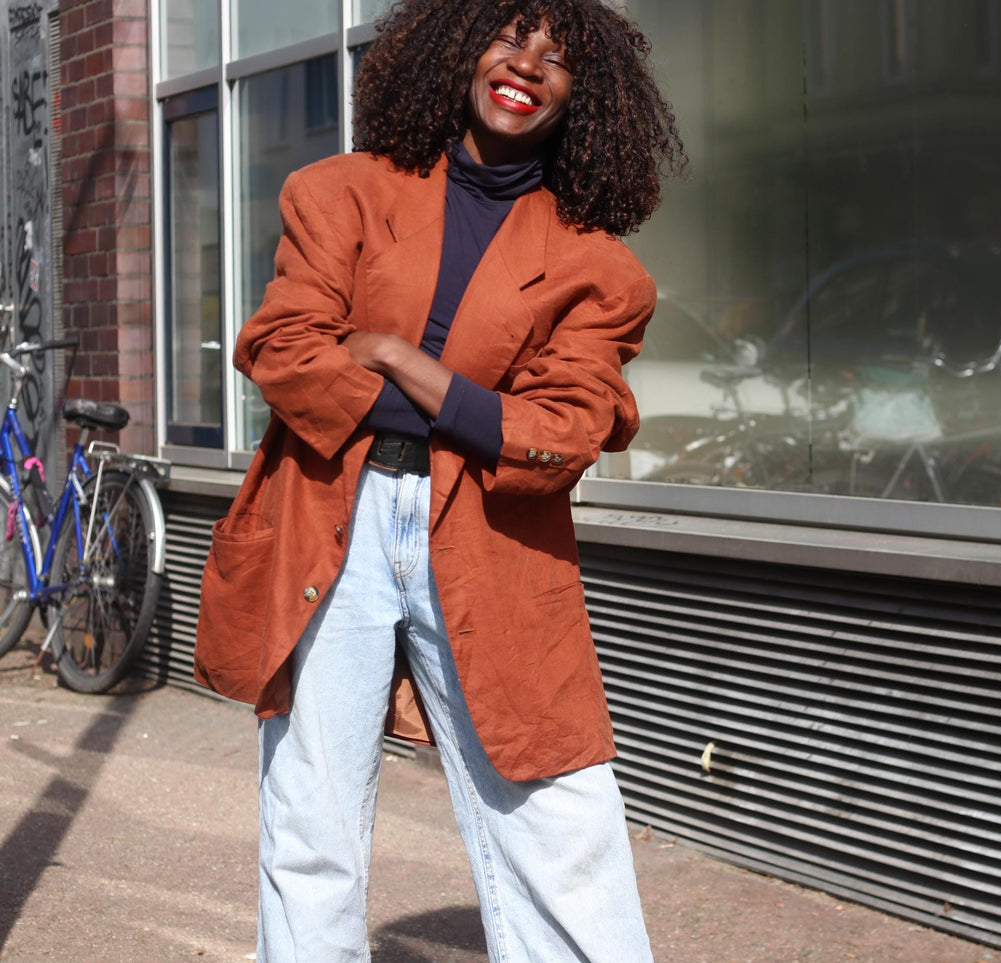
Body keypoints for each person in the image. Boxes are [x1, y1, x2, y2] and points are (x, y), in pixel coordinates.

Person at [191, 1, 684, 960]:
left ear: (588, 93)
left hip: (494, 535)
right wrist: (473, 409)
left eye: (558, 56)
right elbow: (284, 350)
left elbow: (566, 430)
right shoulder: (339, 193)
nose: (526, 65)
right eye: (508, 37)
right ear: (459, 48)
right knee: (312, 812)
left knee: (558, 803)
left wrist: (395, 360)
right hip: (334, 509)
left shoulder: (600, 270)